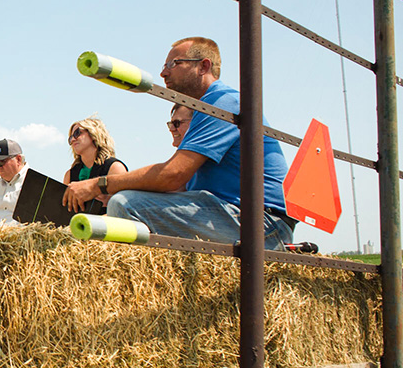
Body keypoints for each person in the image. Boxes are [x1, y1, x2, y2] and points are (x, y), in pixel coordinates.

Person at [63, 36, 294, 250]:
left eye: (173, 64)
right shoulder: (205, 108)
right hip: (235, 213)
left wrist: (97, 185)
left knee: (126, 204)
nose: (163, 73)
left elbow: (173, 175)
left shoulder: (222, 102)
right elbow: (178, 185)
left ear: (203, 66)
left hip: (262, 224)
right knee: (128, 199)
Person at [62, 117, 127, 215]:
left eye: (77, 133)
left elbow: (122, 209)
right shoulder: (70, 174)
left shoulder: (114, 167)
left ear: (93, 134)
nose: (73, 140)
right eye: (70, 138)